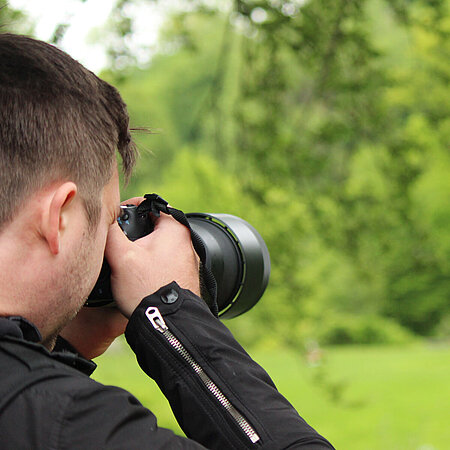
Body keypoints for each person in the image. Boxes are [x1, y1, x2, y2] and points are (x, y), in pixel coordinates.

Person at [0, 33, 334, 449]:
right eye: (107, 221)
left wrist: (62, 347)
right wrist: (173, 315)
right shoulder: (70, 422)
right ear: (58, 219)